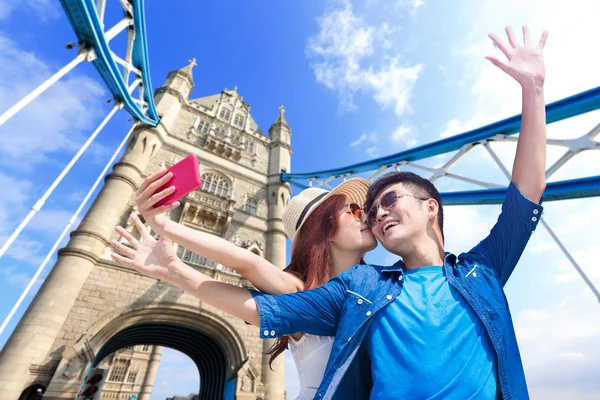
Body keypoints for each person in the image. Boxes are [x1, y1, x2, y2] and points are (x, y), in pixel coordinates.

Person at [114, 25, 547, 399]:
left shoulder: (481, 272)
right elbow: (256, 296)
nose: (374, 215)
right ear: (320, 229)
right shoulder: (360, 291)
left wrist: (533, 91)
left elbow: (527, 191)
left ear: (431, 207)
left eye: (387, 203)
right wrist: (174, 259)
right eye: (365, 210)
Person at [111, 178, 377, 400]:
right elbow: (247, 263)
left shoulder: (382, 285)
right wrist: (165, 228)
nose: (363, 214)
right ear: (324, 229)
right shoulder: (301, 291)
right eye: (352, 210)